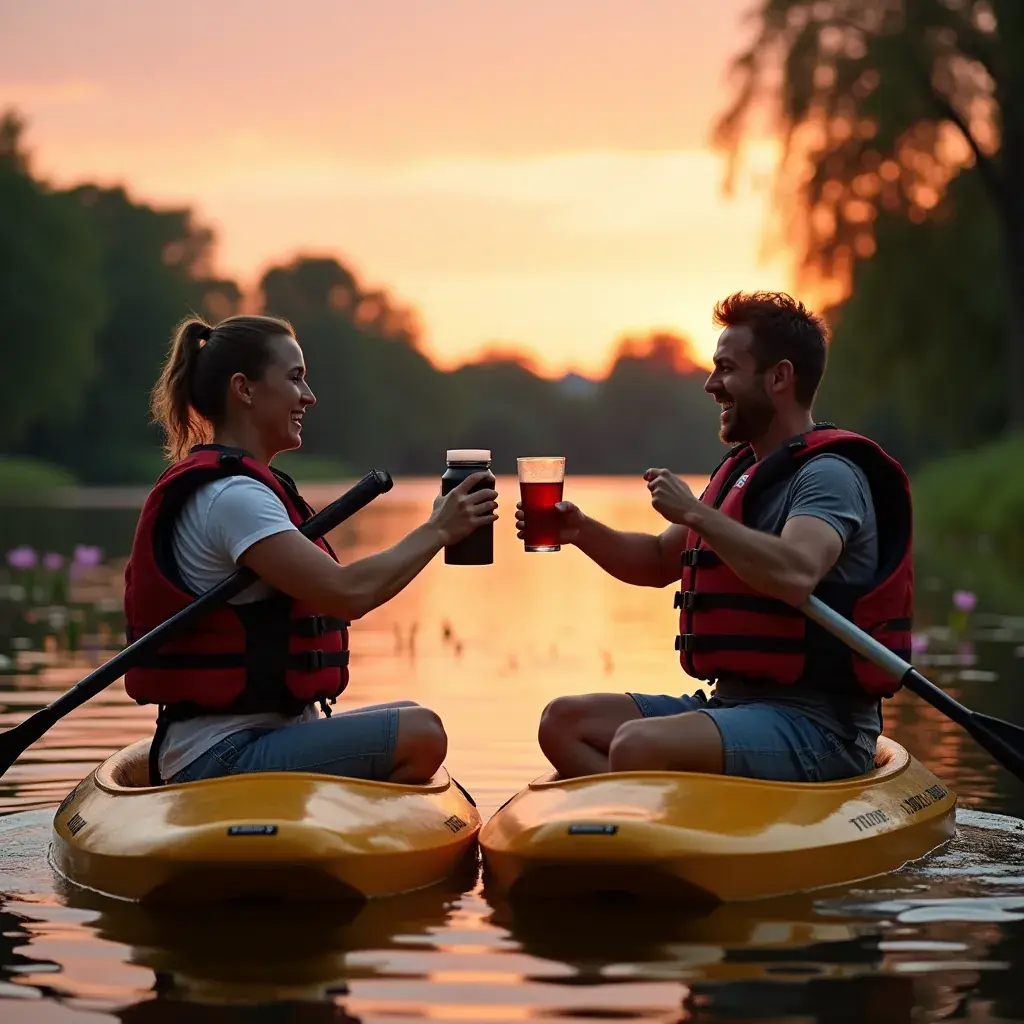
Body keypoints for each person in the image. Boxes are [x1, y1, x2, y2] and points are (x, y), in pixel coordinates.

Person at [521, 291, 912, 783]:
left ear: (779, 378)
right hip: (732, 705)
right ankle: (651, 820)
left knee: (636, 745)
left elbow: (796, 571)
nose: (711, 384)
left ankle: (645, 828)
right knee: (563, 724)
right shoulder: (739, 472)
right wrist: (579, 531)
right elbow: (660, 558)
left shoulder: (828, 475)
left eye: (726, 369)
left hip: (819, 727)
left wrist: (695, 513)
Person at [125, 314, 498, 786]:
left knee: (409, 714)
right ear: (244, 389)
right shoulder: (232, 497)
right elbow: (346, 593)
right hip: (221, 755)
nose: (309, 395)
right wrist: (438, 530)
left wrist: (438, 530)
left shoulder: (246, 487)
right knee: (421, 732)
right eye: (295, 378)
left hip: (267, 736)